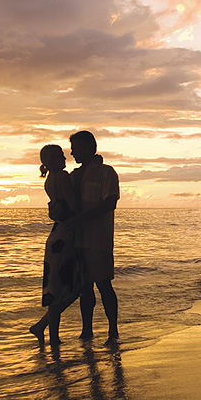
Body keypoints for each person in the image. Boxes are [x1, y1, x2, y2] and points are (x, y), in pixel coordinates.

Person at [68, 130, 120, 346]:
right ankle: (86, 330)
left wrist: (82, 218)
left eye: (76, 148)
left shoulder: (107, 173)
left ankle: (113, 331)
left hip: (98, 239)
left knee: (104, 285)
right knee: (84, 288)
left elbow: (110, 203)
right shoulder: (73, 176)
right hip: (76, 240)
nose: (72, 153)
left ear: (89, 148)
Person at [29, 144, 82, 347]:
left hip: (56, 233)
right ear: (49, 161)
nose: (65, 158)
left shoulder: (50, 180)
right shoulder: (62, 176)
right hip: (66, 235)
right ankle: (47, 331)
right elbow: (73, 205)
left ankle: (49, 333)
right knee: (71, 288)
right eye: (60, 156)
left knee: (56, 288)